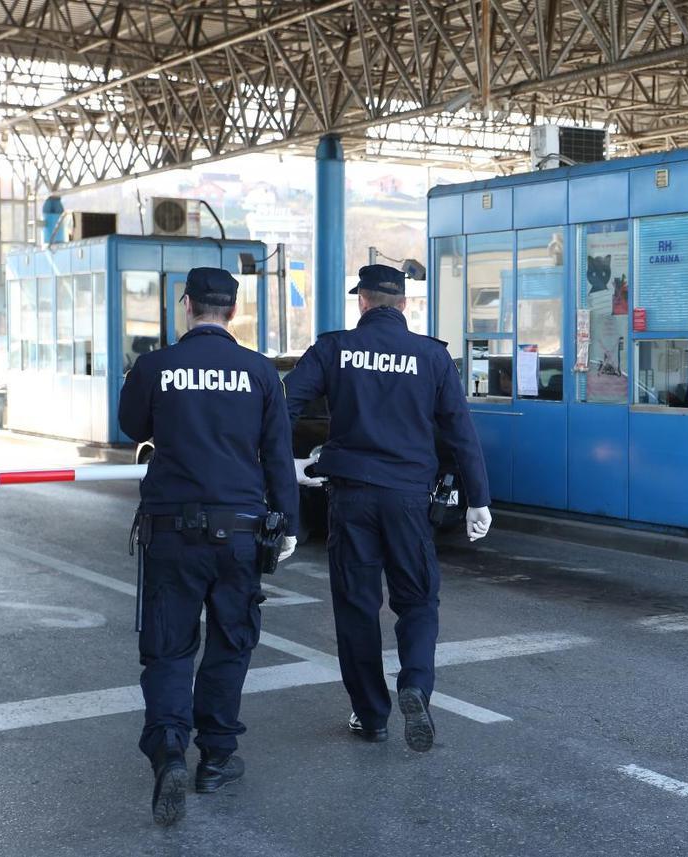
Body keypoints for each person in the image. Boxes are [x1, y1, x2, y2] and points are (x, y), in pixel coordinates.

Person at [284, 264, 491, 752]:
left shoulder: (333, 348)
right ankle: (415, 685)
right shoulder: (432, 356)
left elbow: (283, 403)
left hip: (351, 496)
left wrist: (284, 463)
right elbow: (461, 432)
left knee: (356, 606)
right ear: (403, 304)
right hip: (407, 499)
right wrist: (478, 499)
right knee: (418, 600)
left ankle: (371, 715)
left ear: (363, 301)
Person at [118, 267, 299, 826]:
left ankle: (169, 746)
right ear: (232, 311)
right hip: (241, 531)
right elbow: (277, 453)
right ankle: (216, 758)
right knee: (230, 642)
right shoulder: (261, 372)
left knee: (169, 647)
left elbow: (131, 427)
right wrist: (288, 524)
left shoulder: (155, 366)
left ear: (188, 305)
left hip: (171, 530)